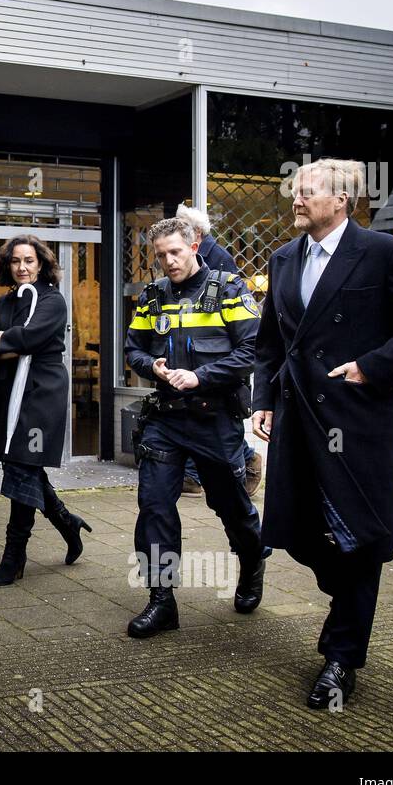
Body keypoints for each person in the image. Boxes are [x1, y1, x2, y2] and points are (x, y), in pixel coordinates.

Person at [251, 158, 393, 710]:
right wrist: (264, 401)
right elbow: (270, 342)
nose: (296, 199)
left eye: (307, 191)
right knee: (302, 536)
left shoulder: (384, 254)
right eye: (294, 190)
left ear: (343, 200)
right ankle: (345, 605)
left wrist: (372, 365)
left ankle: (342, 659)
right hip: (299, 424)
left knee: (361, 542)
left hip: (355, 427)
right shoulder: (283, 259)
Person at [124, 217, 267, 637]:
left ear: (195, 245)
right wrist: (152, 366)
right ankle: (161, 601)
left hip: (214, 419)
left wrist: (201, 376)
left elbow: (251, 351)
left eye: (175, 252)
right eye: (161, 255)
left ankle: (252, 562)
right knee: (154, 509)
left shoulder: (228, 289)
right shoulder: (153, 296)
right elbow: (133, 349)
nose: (168, 261)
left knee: (231, 508)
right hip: (165, 420)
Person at [0, 235, 91, 586]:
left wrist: (6, 339)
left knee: (23, 464)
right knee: (21, 463)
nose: (22, 266)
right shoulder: (5, 302)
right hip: (10, 389)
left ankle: (14, 558)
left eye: (29, 260)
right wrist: (4, 342)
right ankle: (67, 523)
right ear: (7, 266)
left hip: (41, 392)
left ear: (41, 263)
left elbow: (29, 339)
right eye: (15, 261)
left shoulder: (53, 301)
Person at [175, 204, 262, 497]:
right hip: (197, 354)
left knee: (218, 417)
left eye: (182, 228)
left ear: (196, 233)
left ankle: (245, 463)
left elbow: (222, 312)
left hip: (218, 358)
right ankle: (194, 475)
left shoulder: (218, 259)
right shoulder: (195, 257)